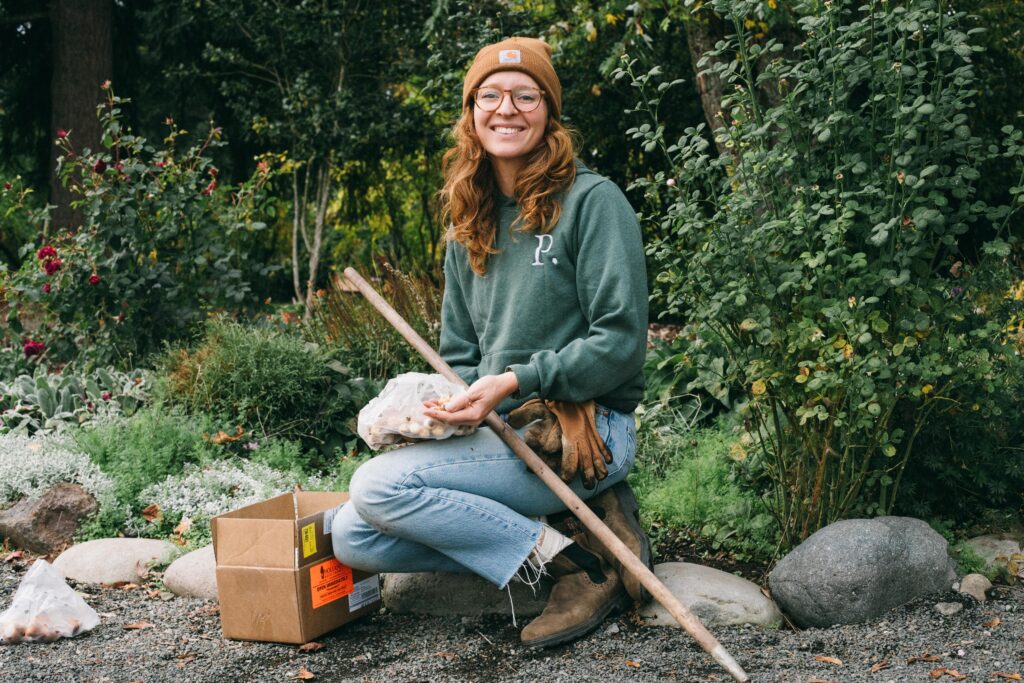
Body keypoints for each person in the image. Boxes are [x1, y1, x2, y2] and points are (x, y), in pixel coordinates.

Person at [331, 36, 650, 648]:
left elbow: (621, 342)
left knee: (378, 489)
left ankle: (582, 569)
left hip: (585, 432)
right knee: (353, 537)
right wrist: (441, 410)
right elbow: (457, 356)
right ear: (472, 113)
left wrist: (517, 381)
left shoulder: (593, 202)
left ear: (548, 112)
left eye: (526, 95)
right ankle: (569, 541)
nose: (507, 108)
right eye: (491, 95)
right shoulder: (469, 220)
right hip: (502, 428)